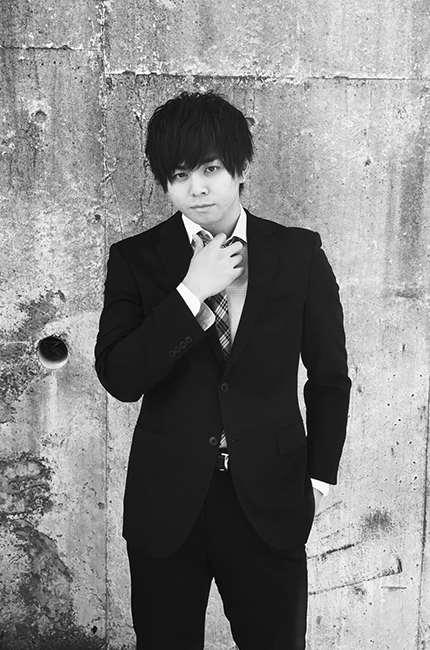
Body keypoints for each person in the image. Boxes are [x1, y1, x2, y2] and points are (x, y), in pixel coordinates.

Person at [95, 91, 351, 650]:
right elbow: (120, 377)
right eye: (180, 175)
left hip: (269, 499)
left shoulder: (297, 254)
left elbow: (330, 374)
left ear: (241, 168)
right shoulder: (136, 259)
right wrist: (192, 291)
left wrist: (319, 475)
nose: (197, 188)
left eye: (211, 169)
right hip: (168, 503)